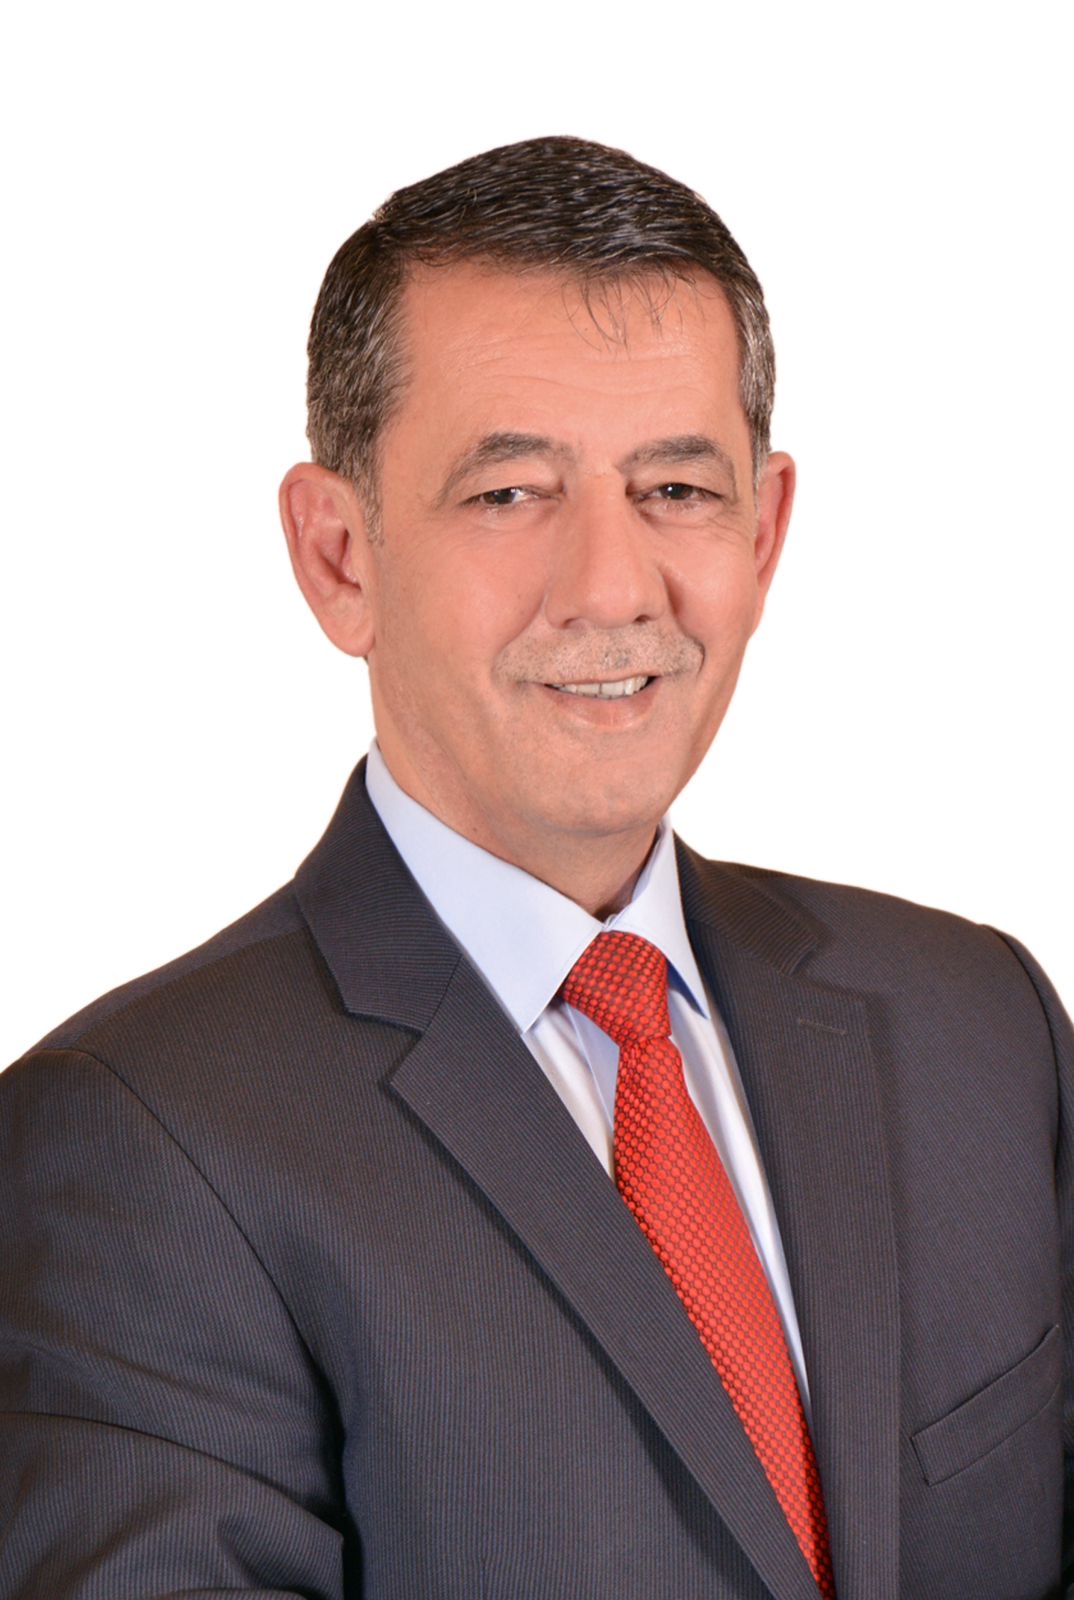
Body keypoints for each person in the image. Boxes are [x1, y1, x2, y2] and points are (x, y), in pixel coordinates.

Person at [1, 136, 1070, 1600]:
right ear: (339, 557)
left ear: (765, 531)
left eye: (676, 487)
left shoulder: (979, 1022)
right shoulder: (135, 1147)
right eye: (510, 494)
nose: (613, 587)